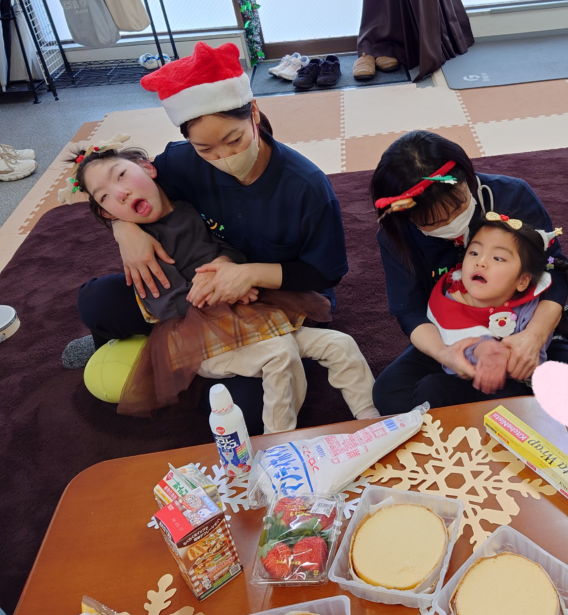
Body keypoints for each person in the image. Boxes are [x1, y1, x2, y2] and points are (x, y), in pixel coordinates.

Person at [66, 42, 350, 434]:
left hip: (270, 294)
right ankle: (151, 345)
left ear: (253, 114)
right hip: (185, 287)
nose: (223, 157)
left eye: (234, 140)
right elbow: (132, 189)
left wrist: (249, 274)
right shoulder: (181, 162)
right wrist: (123, 229)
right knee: (97, 302)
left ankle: (175, 360)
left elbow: (325, 272)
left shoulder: (307, 188)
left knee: (247, 412)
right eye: (205, 149)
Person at [72, 144, 378, 431]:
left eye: (121, 175)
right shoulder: (145, 246)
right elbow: (165, 302)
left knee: (340, 345)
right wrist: (218, 291)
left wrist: (229, 266)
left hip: (252, 316)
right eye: (105, 197)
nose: (120, 193)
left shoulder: (188, 205)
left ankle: (375, 422)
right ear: (106, 213)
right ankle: (278, 445)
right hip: (199, 337)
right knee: (280, 353)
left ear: (148, 168)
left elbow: (226, 246)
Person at [370, 130, 568, 414]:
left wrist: (533, 337)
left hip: (525, 326)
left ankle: (477, 396)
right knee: (388, 393)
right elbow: (409, 310)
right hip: (454, 335)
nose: (451, 225)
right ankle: (508, 399)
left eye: (458, 206)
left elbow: (554, 271)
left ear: (467, 177)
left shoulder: (511, 195)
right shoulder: (396, 232)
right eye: (433, 223)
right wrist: (446, 354)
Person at [420, 212, 568, 407]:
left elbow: (533, 358)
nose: (480, 261)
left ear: (522, 281)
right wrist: (480, 349)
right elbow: (450, 343)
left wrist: (504, 355)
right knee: (429, 388)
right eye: (474, 253)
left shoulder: (529, 305)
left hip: (510, 386)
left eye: (498, 258)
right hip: (465, 378)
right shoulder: (451, 299)